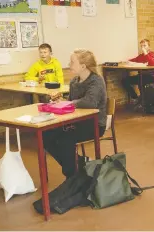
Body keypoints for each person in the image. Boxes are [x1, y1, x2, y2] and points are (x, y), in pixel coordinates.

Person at [44, 49, 107, 178]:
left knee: (65, 140)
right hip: (75, 122)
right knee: (46, 135)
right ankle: (78, 164)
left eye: (72, 62)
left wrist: (68, 103)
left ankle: (72, 175)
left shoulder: (96, 81)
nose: (69, 64)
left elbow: (90, 102)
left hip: (94, 124)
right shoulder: (74, 82)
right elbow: (74, 102)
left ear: (83, 66)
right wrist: (61, 102)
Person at [121, 39, 154, 104]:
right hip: (141, 76)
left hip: (150, 77)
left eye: (145, 46)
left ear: (149, 47)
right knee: (124, 80)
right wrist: (125, 61)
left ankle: (143, 101)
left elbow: (152, 63)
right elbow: (133, 60)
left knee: (141, 82)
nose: (143, 48)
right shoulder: (141, 56)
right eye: (142, 46)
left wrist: (146, 53)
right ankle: (135, 98)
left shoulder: (153, 55)